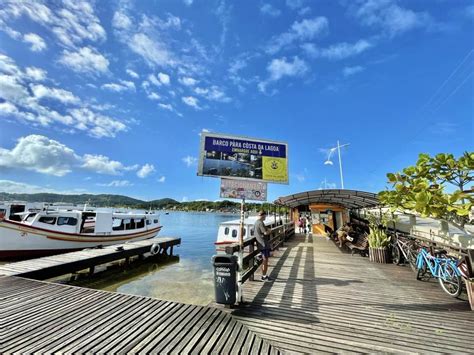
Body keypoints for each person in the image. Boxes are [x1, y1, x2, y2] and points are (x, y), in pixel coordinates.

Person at [254, 210, 272, 281]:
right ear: (263, 215)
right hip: (263, 244)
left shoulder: (256, 222)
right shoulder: (260, 223)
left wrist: (267, 229)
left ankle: (264, 275)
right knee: (265, 260)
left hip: (260, 244)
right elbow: (265, 233)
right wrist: (269, 231)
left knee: (264, 260)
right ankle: (264, 276)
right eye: (265, 216)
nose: (265, 217)